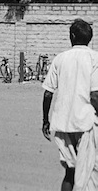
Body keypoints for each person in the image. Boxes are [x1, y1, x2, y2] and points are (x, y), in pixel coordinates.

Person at [42, 19, 98, 191]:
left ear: (72, 36)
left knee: (71, 170)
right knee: (89, 171)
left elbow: (48, 93)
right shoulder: (94, 58)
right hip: (86, 123)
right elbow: (95, 95)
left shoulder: (60, 58)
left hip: (63, 122)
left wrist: (45, 120)